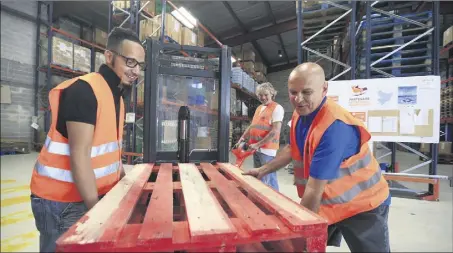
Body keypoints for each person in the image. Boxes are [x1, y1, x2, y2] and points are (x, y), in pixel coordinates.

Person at [243, 62, 391, 252]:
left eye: (306, 92)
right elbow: (291, 148)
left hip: (364, 205)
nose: (298, 99)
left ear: (324, 89)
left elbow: (313, 189)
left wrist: (297, 236)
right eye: (293, 92)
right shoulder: (301, 114)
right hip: (330, 203)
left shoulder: (334, 128)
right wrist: (262, 171)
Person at [29, 27, 146, 252]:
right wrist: (97, 212)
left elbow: (110, 152)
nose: (136, 71)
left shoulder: (116, 98)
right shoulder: (85, 91)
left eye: (140, 65)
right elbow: (80, 156)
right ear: (109, 57)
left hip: (85, 194)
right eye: (130, 62)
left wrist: (124, 186)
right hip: (60, 201)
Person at [235, 82, 284, 191]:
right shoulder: (259, 108)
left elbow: (275, 130)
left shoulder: (277, 108)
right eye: (260, 95)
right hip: (256, 148)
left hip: (267, 150)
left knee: (269, 178)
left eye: (265, 94)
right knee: (259, 176)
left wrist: (258, 144)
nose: (263, 97)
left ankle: (274, 200)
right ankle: (262, 197)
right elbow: (252, 126)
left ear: (272, 93)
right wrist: (242, 138)